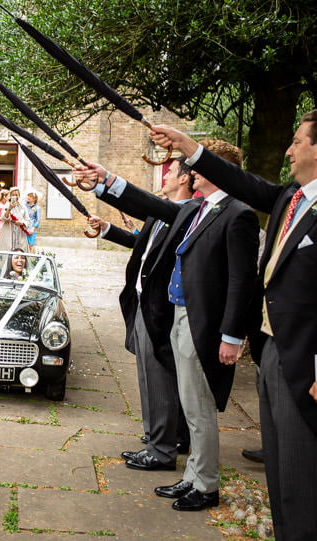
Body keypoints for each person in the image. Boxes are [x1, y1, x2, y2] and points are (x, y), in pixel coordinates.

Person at [151, 111, 317, 539]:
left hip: (309, 364)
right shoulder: (293, 195)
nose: (290, 150)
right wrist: (188, 147)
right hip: (272, 350)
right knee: (278, 472)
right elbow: (247, 185)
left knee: (301, 478)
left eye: (297, 141)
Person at [76, 138, 258, 512]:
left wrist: (231, 335)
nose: (190, 171)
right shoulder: (200, 209)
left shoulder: (237, 214)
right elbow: (151, 206)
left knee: (199, 407)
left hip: (202, 321)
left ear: (218, 170)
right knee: (189, 405)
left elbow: (242, 281)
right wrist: (103, 183)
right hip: (178, 315)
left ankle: (206, 484)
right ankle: (192, 475)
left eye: (197, 164)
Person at [88, 157, 195, 472]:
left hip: (159, 309)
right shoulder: (162, 213)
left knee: (160, 378)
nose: (164, 176)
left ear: (186, 180)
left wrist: (106, 180)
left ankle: (162, 450)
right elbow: (140, 244)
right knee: (147, 376)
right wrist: (107, 229)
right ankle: (155, 437)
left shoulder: (185, 213)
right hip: (139, 302)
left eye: (171, 171)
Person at [0, 187, 30, 251]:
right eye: (13, 195)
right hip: (9, 231)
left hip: (20, 232)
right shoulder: (6, 205)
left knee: (20, 250)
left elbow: (28, 220)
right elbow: (3, 218)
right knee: (8, 250)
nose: (15, 196)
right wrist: (9, 208)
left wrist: (22, 223)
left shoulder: (23, 207)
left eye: (16, 195)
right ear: (10, 196)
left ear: (19, 196)